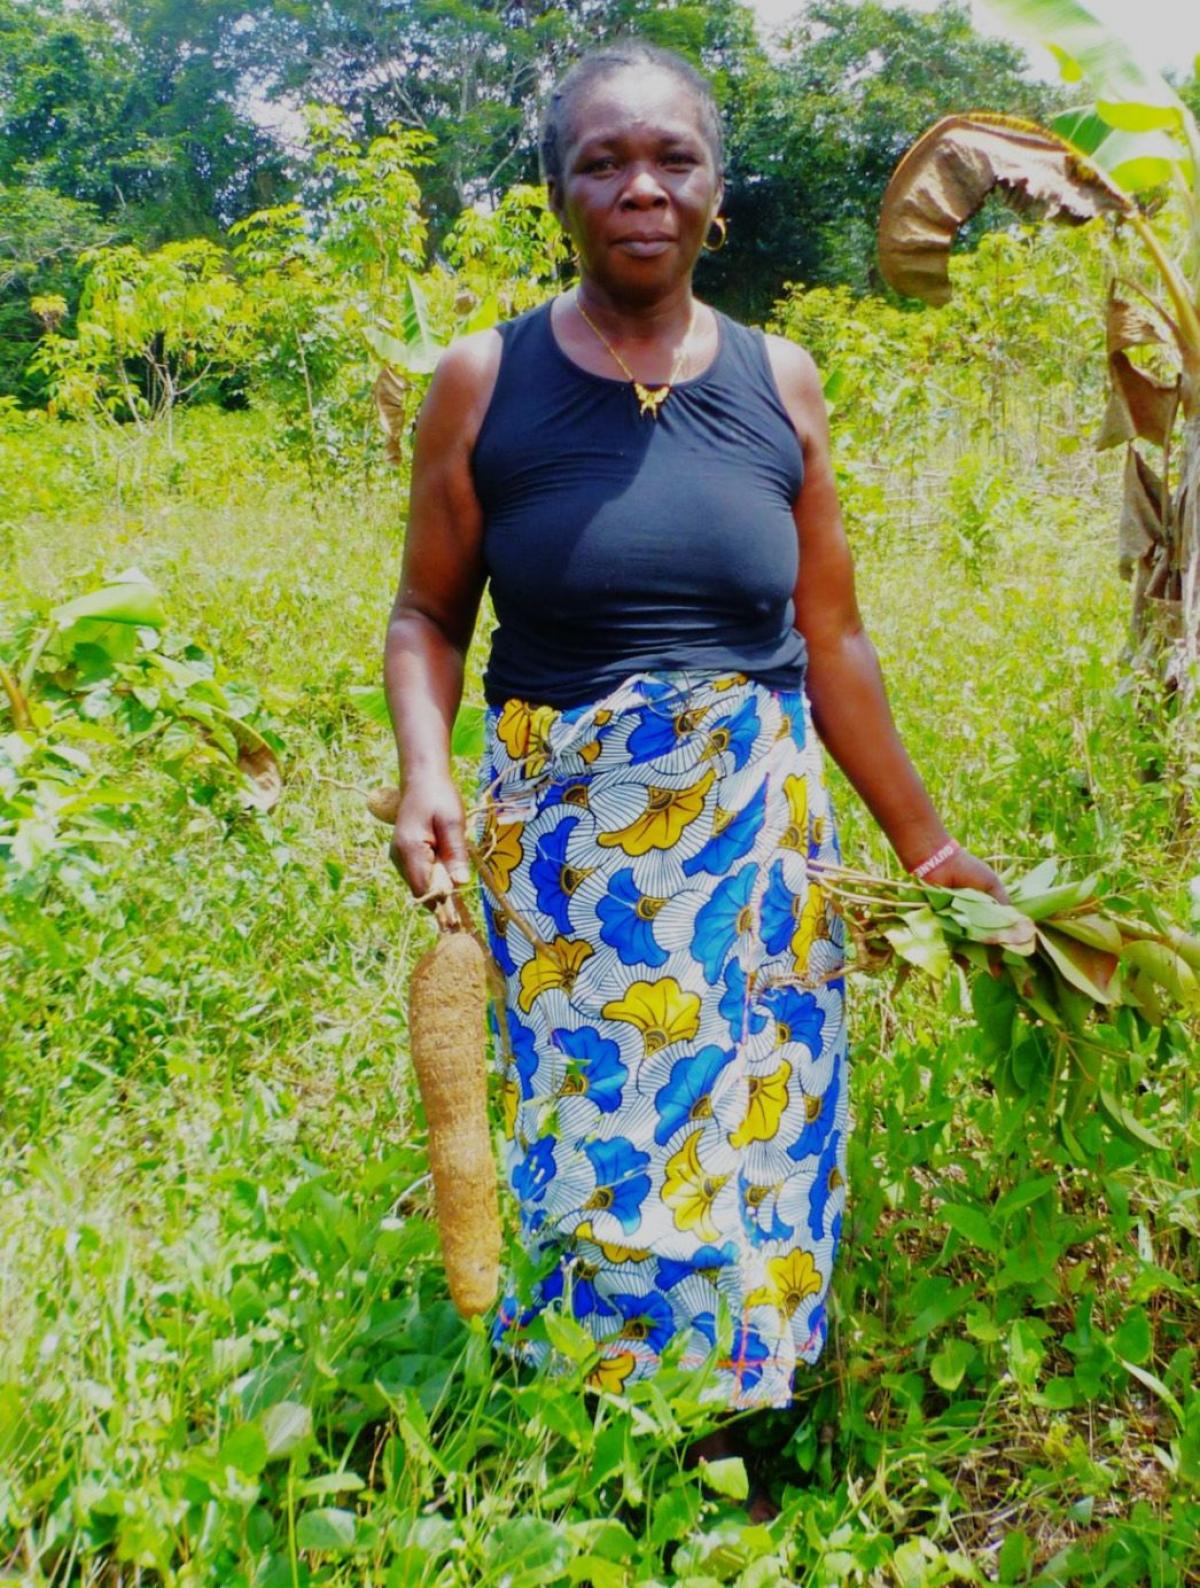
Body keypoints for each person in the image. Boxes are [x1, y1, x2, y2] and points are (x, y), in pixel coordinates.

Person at [382, 38, 1007, 1522]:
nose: (639, 188)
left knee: (760, 1127)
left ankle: (748, 1427)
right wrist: (423, 770)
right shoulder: (485, 382)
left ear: (717, 194)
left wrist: (925, 844)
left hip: (757, 850)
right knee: (601, 1147)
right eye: (602, 162)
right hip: (570, 858)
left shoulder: (779, 379)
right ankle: (610, 1463)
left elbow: (832, 634)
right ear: (561, 194)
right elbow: (425, 616)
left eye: (672, 159)